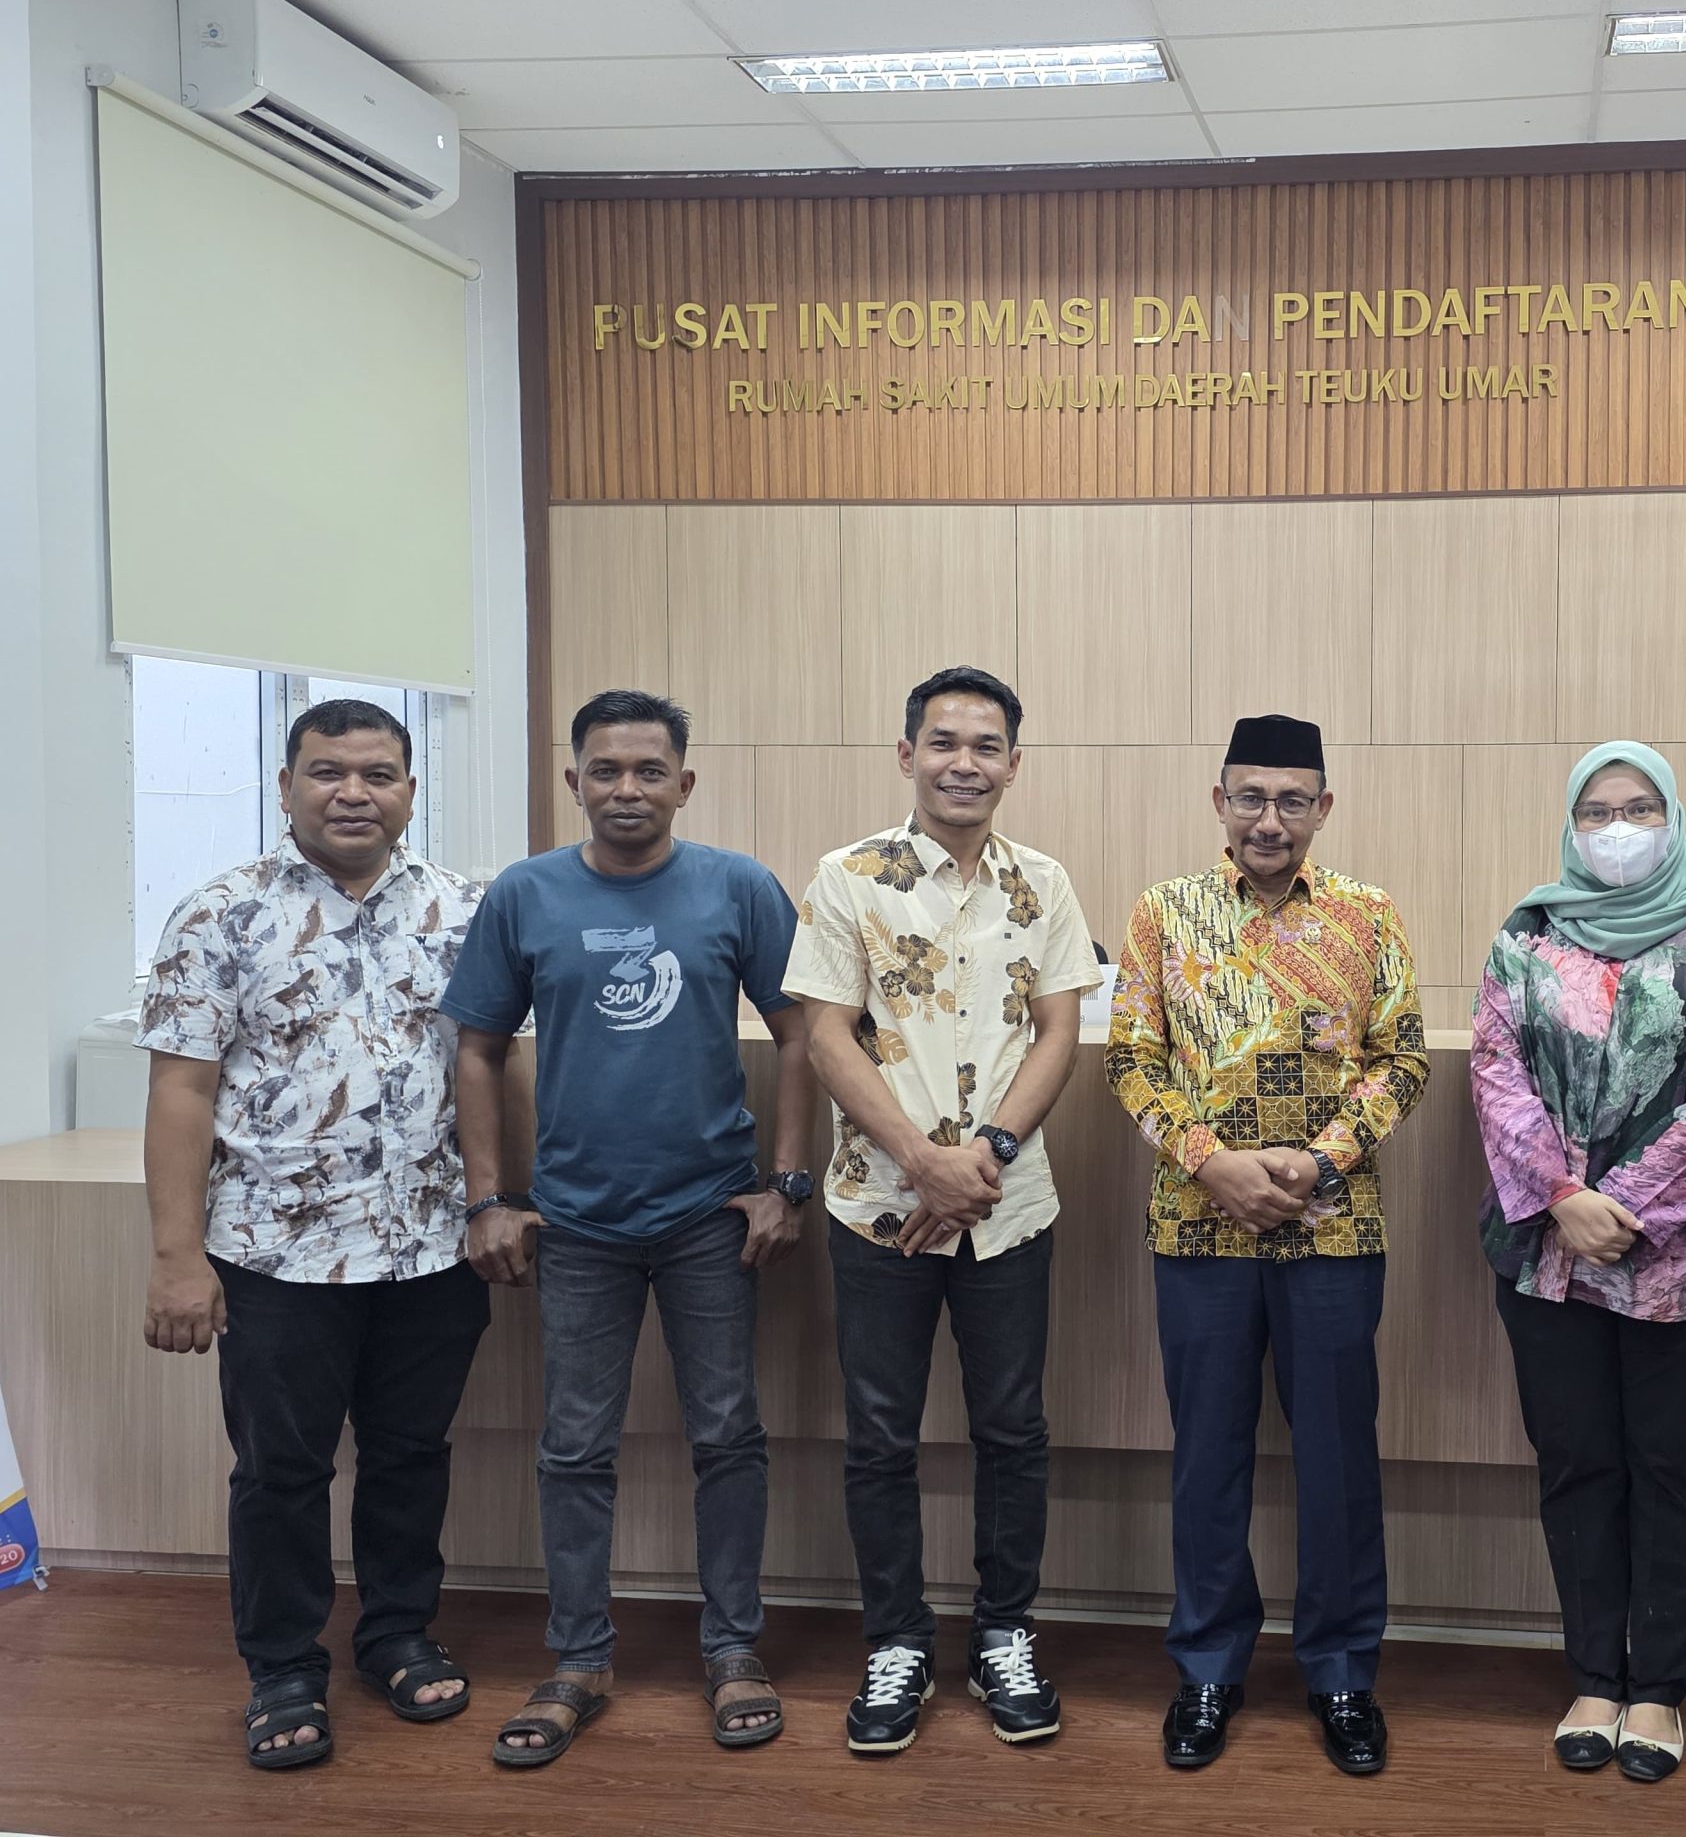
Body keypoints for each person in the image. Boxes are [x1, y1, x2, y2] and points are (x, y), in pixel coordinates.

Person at [442, 689, 813, 1769]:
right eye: (605, 770)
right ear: (574, 781)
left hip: (711, 1215)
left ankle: (733, 1650)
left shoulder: (738, 887)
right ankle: (579, 1660)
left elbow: (802, 1033)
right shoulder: (525, 894)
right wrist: (489, 1199)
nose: (627, 789)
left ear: (683, 784)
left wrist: (788, 1185)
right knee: (573, 1447)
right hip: (576, 1222)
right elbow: (478, 1047)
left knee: (728, 1436)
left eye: (650, 771)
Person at [138, 698, 488, 1771]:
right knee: (280, 1471)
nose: (353, 793)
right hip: (275, 1252)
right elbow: (183, 1090)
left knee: (409, 1457)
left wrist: (499, 1200)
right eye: (328, 772)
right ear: (285, 785)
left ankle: (395, 1635)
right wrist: (176, 1256)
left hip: (430, 1247)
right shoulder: (220, 914)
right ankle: (284, 1667)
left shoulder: (465, 909)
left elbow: (492, 1067)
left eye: (377, 774)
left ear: (410, 791)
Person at [1105, 714, 1431, 1777]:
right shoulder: (1164, 913)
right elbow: (1129, 1060)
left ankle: (1342, 1673)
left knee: (1338, 1460)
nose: (1270, 819)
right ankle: (1208, 1667)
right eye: (1250, 796)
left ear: (1322, 808)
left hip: (1333, 1229)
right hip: (1197, 1227)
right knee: (1208, 1457)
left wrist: (1320, 1161)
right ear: (1220, 802)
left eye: (1293, 800)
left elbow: (1405, 1060)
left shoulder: (1367, 914)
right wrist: (1213, 1163)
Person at [783, 667, 1100, 1756]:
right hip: (880, 1205)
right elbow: (825, 1035)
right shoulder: (847, 877)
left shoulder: (1044, 883)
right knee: (880, 1434)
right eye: (944, 742)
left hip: (1008, 1206)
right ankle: (897, 1643)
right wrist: (923, 1162)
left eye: (986, 745)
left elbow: (1058, 1031)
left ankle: (1005, 1633)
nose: (964, 763)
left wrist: (984, 1158)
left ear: (1014, 763)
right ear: (907, 753)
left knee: (1012, 1429)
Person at [1470, 743, 1686, 1785]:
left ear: (1672, 815)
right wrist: (1564, 1198)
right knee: (1578, 1467)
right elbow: (1497, 1074)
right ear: (1571, 824)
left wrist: (1627, 1207)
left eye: (1639, 807)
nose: (1617, 828)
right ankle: (1596, 1678)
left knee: (1675, 1473)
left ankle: (1659, 1689)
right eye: (1597, 811)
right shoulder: (1527, 933)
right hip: (1549, 1259)